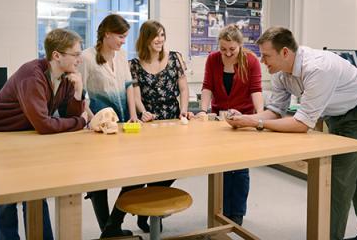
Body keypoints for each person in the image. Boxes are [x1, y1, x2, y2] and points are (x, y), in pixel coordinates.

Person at [226, 26, 357, 240]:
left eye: (266, 56)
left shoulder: (317, 68)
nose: (262, 62)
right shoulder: (281, 74)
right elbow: (274, 111)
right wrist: (246, 119)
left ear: (285, 52)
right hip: (337, 114)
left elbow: (302, 124)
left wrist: (257, 124)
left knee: (336, 178)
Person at [0, 28, 87, 240]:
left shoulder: (66, 78)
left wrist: (77, 92)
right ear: (56, 55)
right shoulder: (32, 75)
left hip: (25, 135)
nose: (80, 60)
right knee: (6, 199)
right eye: (75, 54)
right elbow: (45, 125)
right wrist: (81, 121)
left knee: (36, 194)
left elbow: (66, 116)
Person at [80, 14, 141, 238]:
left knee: (135, 175)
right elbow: (79, 95)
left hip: (123, 122)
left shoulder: (121, 55)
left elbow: (128, 86)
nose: (123, 41)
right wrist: (92, 119)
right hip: (99, 127)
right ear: (107, 34)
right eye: (120, 36)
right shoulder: (86, 58)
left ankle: (112, 225)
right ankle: (109, 229)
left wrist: (133, 115)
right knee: (100, 180)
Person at [196, 24, 263, 225]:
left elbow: (256, 89)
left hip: (244, 119)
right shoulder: (213, 59)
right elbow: (207, 86)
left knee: (240, 169)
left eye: (232, 49)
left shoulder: (251, 61)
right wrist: (203, 110)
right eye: (223, 49)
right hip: (219, 119)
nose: (227, 53)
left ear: (240, 45)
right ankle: (222, 210)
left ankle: (237, 213)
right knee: (221, 167)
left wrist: (259, 116)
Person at [129, 19, 192, 232]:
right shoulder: (135, 64)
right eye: (156, 35)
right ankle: (149, 211)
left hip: (173, 119)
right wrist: (141, 111)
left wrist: (184, 109)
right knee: (148, 167)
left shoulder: (174, 58)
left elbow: (184, 89)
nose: (160, 39)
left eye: (162, 35)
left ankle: (152, 203)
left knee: (172, 167)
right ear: (145, 39)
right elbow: (136, 93)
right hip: (150, 122)